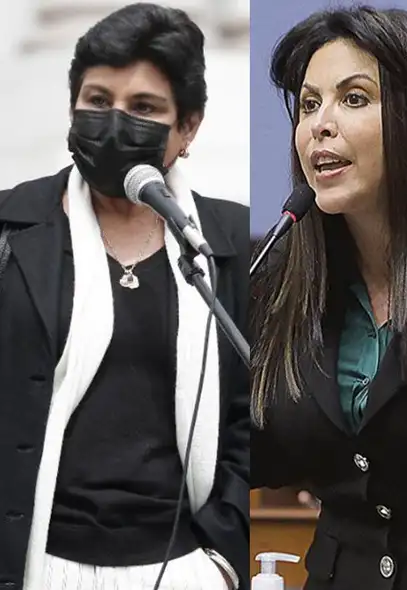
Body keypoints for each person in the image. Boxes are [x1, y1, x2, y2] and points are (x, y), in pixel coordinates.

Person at [249, 6, 407, 590]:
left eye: (354, 99)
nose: (320, 125)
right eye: (309, 105)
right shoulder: (282, 271)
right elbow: (268, 452)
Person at [0, 4, 250, 590]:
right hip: (36, 564)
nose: (115, 122)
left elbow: (250, 415)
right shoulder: (10, 229)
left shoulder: (230, 244)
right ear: (71, 108)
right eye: (96, 100)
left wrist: (220, 559)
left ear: (188, 129)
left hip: (183, 567)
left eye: (143, 108)